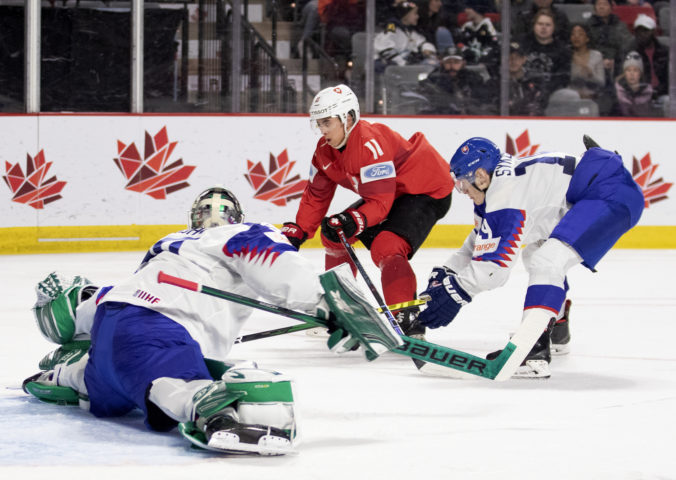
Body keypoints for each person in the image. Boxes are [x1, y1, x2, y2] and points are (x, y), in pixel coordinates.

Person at [23, 186, 399, 455]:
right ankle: (210, 409)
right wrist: (328, 304)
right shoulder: (240, 233)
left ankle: (62, 375)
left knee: (107, 374)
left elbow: (101, 303)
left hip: (114, 329)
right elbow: (271, 261)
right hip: (158, 328)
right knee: (168, 381)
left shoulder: (168, 245)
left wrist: (70, 320)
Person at [416, 137, 645, 378]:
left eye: (463, 185)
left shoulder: (505, 193)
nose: (463, 192)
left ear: (481, 176)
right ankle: (555, 328)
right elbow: (478, 242)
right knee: (535, 252)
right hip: (597, 189)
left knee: (547, 261)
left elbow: (493, 270)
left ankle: (532, 350)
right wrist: (447, 273)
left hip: (609, 192)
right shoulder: (498, 184)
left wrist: (455, 292)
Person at [281, 84, 453, 338]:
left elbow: (380, 202)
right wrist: (300, 231)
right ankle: (342, 305)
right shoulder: (323, 152)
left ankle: (405, 316)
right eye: (319, 123)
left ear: (348, 118)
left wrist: (356, 220)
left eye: (327, 122)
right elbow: (317, 194)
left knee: (387, 245)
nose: (322, 129)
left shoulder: (370, 143)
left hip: (425, 188)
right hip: (391, 193)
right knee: (333, 233)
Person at [415, 47, 493, 114]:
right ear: (442, 63)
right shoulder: (433, 80)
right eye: (448, 62)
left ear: (463, 63)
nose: (452, 66)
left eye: (456, 62)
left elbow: (482, 103)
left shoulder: (474, 79)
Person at [519, 8, 572, 102]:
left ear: (554, 27)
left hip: (551, 92)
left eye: (548, 25)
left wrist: (546, 90)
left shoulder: (562, 50)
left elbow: (563, 77)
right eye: (540, 24)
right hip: (522, 90)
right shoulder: (523, 44)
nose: (543, 28)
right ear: (534, 26)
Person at [374, 1, 439, 73]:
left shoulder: (408, 31)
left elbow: (422, 42)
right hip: (389, 69)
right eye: (415, 13)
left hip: (403, 68)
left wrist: (428, 51)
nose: (417, 16)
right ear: (406, 15)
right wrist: (404, 64)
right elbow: (385, 50)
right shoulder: (391, 30)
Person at [624, 13, 669, 101]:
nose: (642, 34)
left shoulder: (665, 51)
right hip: (638, 94)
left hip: (663, 93)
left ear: (654, 32)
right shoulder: (629, 51)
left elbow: (670, 79)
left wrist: (658, 91)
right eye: (638, 31)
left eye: (645, 31)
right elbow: (624, 78)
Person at [455, 0, 500, 78]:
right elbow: (460, 45)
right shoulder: (466, 27)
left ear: (477, 10)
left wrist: (482, 58)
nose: (465, 11)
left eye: (469, 8)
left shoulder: (488, 26)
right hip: (468, 64)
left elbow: (493, 47)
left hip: (485, 67)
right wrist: (465, 51)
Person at [614, 50, 660, 117]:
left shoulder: (649, 94)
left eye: (635, 70)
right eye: (628, 70)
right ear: (624, 73)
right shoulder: (616, 94)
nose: (631, 74)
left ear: (640, 74)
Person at [507, 41, 546, 116]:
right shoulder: (495, 83)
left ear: (524, 59)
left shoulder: (537, 81)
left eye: (517, 57)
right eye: (509, 57)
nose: (513, 61)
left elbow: (540, 105)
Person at [569, 23, 605, 100]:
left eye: (580, 34)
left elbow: (602, 83)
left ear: (587, 38)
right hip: (571, 100)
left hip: (593, 98)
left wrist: (590, 74)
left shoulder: (597, 56)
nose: (576, 37)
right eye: (573, 34)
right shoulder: (567, 56)